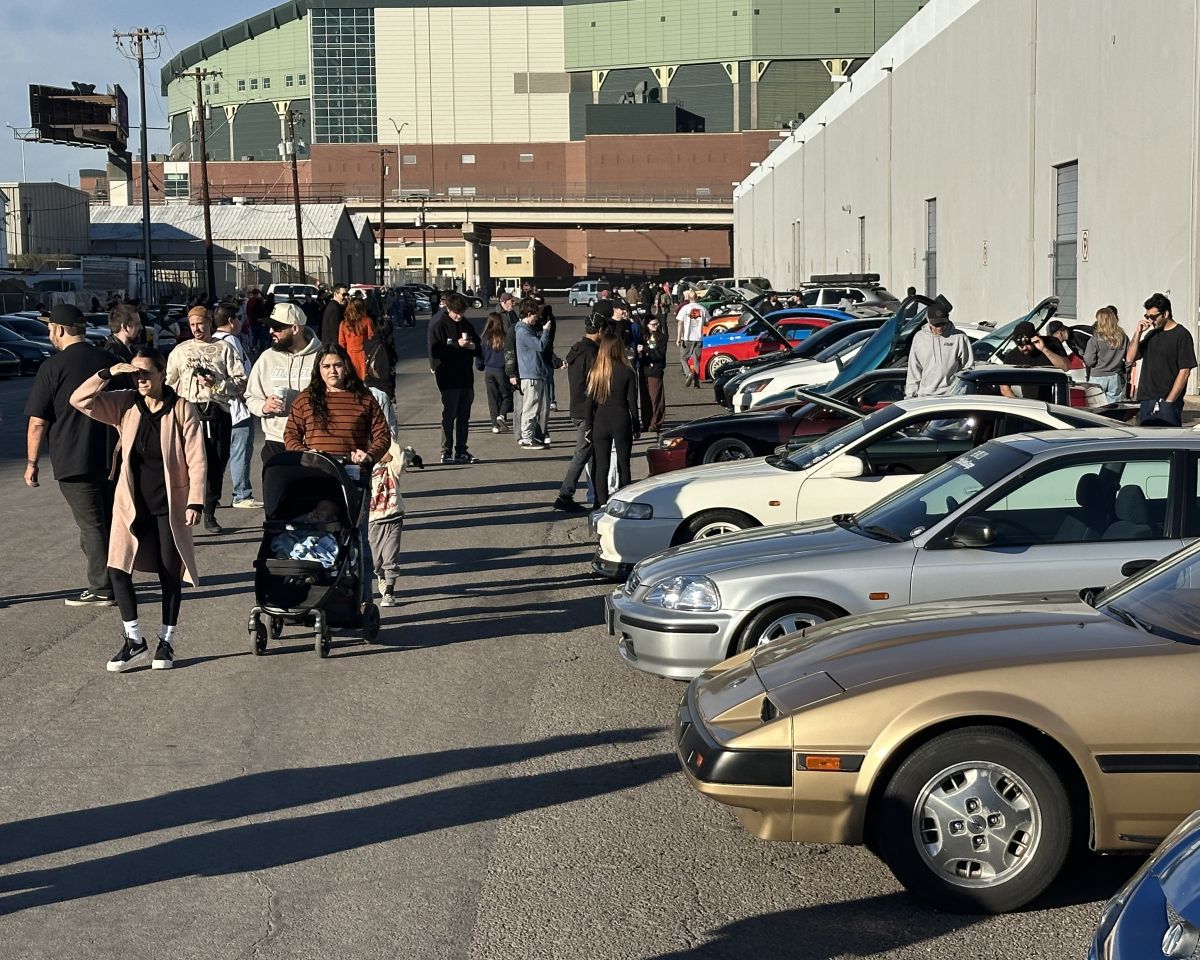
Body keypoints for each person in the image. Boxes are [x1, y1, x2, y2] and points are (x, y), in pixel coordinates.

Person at [71, 347, 206, 672]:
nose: (140, 379)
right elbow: (79, 400)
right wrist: (108, 374)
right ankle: (134, 640)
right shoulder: (125, 403)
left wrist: (196, 500)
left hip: (169, 505)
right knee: (117, 568)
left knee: (169, 572)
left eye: (146, 373)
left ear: (162, 374)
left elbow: (197, 457)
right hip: (131, 503)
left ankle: (166, 642)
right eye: (135, 374)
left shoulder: (181, 408)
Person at [23, 303, 120, 607]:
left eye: (50, 328)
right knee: (107, 520)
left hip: (73, 459)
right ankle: (115, 580)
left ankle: (103, 588)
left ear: (60, 330)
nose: (49, 334)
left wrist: (32, 463)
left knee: (92, 525)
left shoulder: (53, 367)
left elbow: (38, 421)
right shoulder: (110, 360)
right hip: (113, 455)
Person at [284, 344, 391, 606]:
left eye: (337, 365)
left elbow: (382, 435)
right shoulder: (306, 399)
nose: (332, 371)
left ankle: (362, 601)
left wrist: (368, 454)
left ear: (346, 367)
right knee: (315, 534)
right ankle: (312, 595)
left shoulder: (363, 398)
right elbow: (290, 436)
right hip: (316, 477)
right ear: (318, 370)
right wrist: (306, 453)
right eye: (326, 366)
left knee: (356, 538)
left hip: (352, 478)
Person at [165, 305, 246, 532]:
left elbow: (241, 381)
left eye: (200, 324)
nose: (196, 329)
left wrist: (217, 384)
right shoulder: (180, 351)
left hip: (216, 410)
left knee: (215, 461)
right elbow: (169, 383)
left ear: (209, 323)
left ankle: (210, 510)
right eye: (192, 325)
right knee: (186, 463)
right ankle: (185, 510)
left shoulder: (224, 349)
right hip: (188, 410)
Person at [367, 391, 422, 608]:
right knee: (374, 561)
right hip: (372, 520)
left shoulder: (392, 468)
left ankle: (389, 591)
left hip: (393, 516)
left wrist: (388, 441)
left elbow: (396, 455)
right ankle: (380, 576)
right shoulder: (365, 468)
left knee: (390, 557)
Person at [553, 314, 604, 513]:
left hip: (577, 408)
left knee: (592, 454)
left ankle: (597, 495)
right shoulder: (591, 353)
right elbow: (594, 386)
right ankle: (565, 495)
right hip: (586, 411)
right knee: (582, 453)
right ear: (599, 330)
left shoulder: (577, 349)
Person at [212, 303, 260, 509]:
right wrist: (246, 397)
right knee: (240, 450)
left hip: (217, 405)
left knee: (219, 454)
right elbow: (241, 374)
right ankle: (241, 494)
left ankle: (211, 496)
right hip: (237, 405)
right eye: (239, 318)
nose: (241, 322)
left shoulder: (211, 342)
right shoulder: (231, 341)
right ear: (231, 321)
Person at [1127, 292, 1197, 427]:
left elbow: (1184, 372)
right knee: (1146, 439)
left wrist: (1169, 401)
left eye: (1153, 317)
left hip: (1167, 401)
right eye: (1147, 316)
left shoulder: (1182, 335)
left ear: (1165, 314)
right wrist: (1138, 333)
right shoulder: (1151, 334)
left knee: (1168, 439)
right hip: (1146, 400)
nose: (1150, 320)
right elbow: (1130, 358)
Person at [585, 334, 640, 507]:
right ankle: (624, 502)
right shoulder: (628, 372)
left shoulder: (596, 371)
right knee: (624, 464)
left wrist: (589, 425)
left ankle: (601, 503)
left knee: (602, 466)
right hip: (621, 418)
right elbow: (633, 402)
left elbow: (589, 403)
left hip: (601, 420)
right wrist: (636, 425)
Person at [428, 292, 481, 464]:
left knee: (464, 416)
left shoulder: (466, 324)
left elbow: (479, 346)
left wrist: (471, 346)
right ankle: (446, 450)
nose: (459, 316)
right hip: (448, 378)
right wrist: (456, 345)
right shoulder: (439, 325)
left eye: (462, 313)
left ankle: (461, 450)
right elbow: (436, 352)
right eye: (456, 313)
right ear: (449, 309)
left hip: (466, 377)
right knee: (449, 415)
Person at [511, 298, 555, 449]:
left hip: (535, 374)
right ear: (529, 314)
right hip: (531, 375)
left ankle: (530, 437)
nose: (537, 317)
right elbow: (540, 345)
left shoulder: (525, 330)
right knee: (530, 408)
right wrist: (546, 331)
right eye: (536, 314)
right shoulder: (523, 331)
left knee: (534, 408)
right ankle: (527, 438)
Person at [905, 305, 973, 397]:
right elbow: (914, 369)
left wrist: (962, 391)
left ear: (948, 319)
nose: (940, 328)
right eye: (936, 325)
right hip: (925, 396)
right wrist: (910, 395)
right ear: (928, 320)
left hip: (952, 395)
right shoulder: (919, 338)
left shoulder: (959, 337)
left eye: (943, 323)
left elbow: (968, 368)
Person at [1083, 306, 1129, 404]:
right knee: (1114, 406)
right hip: (1115, 376)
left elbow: (1089, 361)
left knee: (1095, 406)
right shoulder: (1123, 337)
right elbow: (1128, 358)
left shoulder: (1095, 339)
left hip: (1097, 376)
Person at [477, 312, 513, 433]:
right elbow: (509, 355)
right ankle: (501, 415)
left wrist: (480, 366)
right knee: (507, 396)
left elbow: (479, 355)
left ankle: (494, 425)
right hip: (501, 371)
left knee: (492, 398)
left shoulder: (484, 338)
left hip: (489, 371)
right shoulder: (504, 337)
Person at [639, 315, 669, 433]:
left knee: (655, 398)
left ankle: (655, 423)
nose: (656, 326)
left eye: (657, 324)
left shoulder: (661, 337)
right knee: (644, 398)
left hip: (655, 371)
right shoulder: (642, 336)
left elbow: (660, 355)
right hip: (643, 369)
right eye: (653, 324)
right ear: (647, 325)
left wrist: (646, 350)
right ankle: (646, 422)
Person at [338, 296, 376, 382]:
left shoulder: (343, 324)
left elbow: (341, 343)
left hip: (349, 355)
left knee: (352, 380)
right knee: (365, 379)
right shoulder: (367, 321)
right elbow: (372, 339)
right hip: (364, 355)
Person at [675, 290, 708, 388]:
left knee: (683, 358)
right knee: (696, 359)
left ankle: (688, 373)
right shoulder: (702, 308)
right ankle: (696, 382)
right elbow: (707, 322)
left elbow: (680, 323)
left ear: (688, 298)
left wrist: (678, 337)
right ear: (697, 298)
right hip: (699, 337)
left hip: (687, 337)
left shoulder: (684, 308)